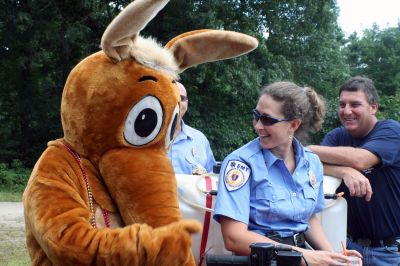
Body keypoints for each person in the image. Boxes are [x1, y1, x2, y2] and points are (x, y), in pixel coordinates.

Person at [213, 81, 362, 265]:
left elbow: (307, 218)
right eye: (256, 116)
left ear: (293, 125)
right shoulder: (241, 164)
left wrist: (333, 257)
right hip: (262, 260)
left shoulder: (311, 162)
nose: (259, 125)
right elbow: (234, 237)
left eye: (268, 120)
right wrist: (305, 256)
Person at [308, 76, 400, 266]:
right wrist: (344, 172)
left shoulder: (391, 131)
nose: (347, 111)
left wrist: (307, 148)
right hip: (348, 246)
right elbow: (309, 164)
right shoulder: (336, 136)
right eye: (342, 104)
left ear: (373, 107)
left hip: (390, 252)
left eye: (355, 104)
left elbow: (361, 159)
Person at [168, 82, 216, 175]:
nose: (176, 102)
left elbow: (211, 179)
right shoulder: (146, 139)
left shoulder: (200, 139)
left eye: (181, 98)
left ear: (187, 103)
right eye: (172, 96)